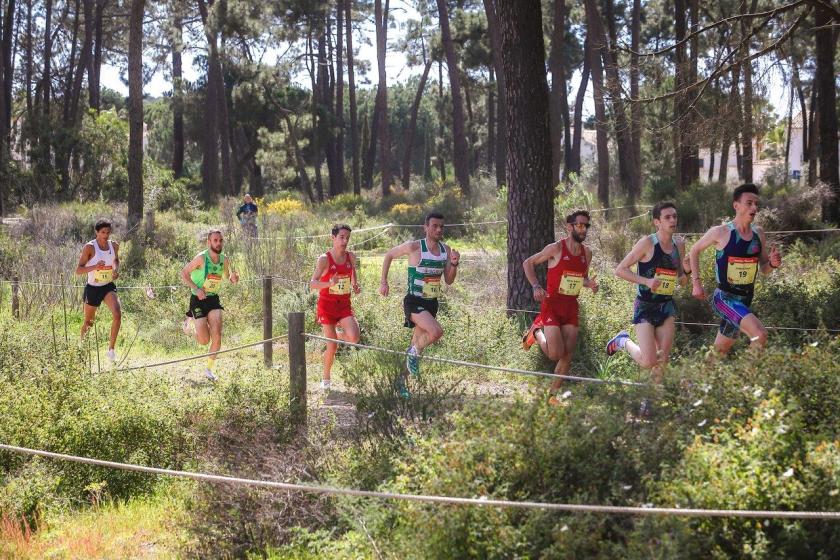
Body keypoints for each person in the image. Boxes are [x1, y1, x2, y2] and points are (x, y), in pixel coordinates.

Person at [606, 203, 688, 415]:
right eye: (667, 217)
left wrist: (685, 272)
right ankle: (623, 341)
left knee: (663, 357)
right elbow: (620, 270)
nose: (672, 220)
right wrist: (647, 281)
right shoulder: (646, 243)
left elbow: (682, 280)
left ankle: (648, 402)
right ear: (657, 222)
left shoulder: (679, 245)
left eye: (675, 216)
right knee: (648, 361)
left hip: (666, 306)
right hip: (645, 306)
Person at [688, 183, 782, 355]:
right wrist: (696, 283)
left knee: (719, 351)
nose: (754, 207)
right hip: (724, 298)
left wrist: (773, 264)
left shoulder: (758, 234)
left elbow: (764, 268)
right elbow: (694, 250)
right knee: (759, 334)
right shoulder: (721, 232)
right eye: (749, 203)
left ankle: (698, 380)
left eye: (756, 203)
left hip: (746, 298)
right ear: (736, 205)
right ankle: (746, 379)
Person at [522, 210, 598, 405]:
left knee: (567, 355)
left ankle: (552, 397)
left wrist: (589, 284)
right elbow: (528, 263)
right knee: (555, 353)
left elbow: (582, 277)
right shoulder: (555, 249)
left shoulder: (586, 253)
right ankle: (536, 332)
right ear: (569, 226)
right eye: (579, 225)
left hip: (571, 306)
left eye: (586, 226)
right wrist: (536, 286)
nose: (583, 229)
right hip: (552, 305)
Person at [379, 212, 460, 395]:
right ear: (426, 227)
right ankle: (412, 354)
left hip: (432, 303)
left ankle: (400, 384)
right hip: (414, 301)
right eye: (434, 226)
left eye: (441, 226)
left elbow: (448, 280)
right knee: (436, 332)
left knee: (417, 346)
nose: (439, 229)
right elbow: (389, 255)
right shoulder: (415, 247)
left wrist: (454, 264)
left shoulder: (446, 250)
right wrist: (384, 282)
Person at [180, 229, 239, 381]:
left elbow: (226, 276)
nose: (218, 243)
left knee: (217, 334)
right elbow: (184, 274)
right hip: (198, 300)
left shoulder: (224, 260)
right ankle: (190, 325)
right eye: (215, 240)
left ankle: (209, 370)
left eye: (220, 240)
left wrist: (233, 278)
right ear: (209, 242)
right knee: (204, 340)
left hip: (213, 299)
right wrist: (196, 289)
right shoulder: (201, 258)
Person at [309, 224, 361, 391]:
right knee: (332, 346)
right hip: (327, 306)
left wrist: (355, 284)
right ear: (333, 238)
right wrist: (329, 283)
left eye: (347, 238)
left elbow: (353, 273)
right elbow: (312, 284)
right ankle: (326, 378)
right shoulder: (324, 259)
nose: (345, 241)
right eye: (341, 237)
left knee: (354, 337)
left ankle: (334, 336)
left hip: (344, 305)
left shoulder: (351, 257)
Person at [75, 219, 122, 364]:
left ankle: (111, 351)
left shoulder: (114, 245)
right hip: (93, 288)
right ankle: (81, 348)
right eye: (102, 232)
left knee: (117, 313)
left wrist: (115, 270)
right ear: (96, 232)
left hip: (107, 286)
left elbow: (116, 260)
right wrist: (95, 266)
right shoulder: (90, 247)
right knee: (89, 322)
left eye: (108, 232)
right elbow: (78, 270)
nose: (106, 235)